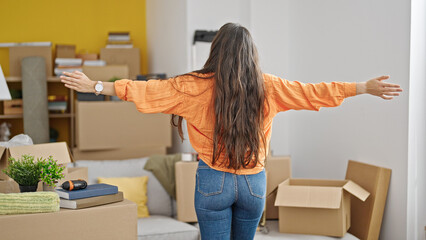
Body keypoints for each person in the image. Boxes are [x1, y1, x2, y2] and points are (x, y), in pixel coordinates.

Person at [61, 23, 402, 240]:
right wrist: (362, 87)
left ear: (216, 51)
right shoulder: (270, 86)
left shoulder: (192, 85)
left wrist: (96, 84)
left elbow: (146, 90)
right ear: (251, 54)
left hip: (213, 182)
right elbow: (314, 92)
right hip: (254, 183)